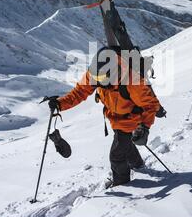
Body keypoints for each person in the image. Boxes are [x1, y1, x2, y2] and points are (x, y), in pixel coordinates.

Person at [47, 47, 161, 188]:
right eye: (96, 78)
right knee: (124, 143)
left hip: (130, 119)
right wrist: (60, 104)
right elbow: (79, 92)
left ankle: (122, 184)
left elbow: (150, 105)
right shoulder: (96, 73)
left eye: (102, 79)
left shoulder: (132, 80)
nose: (98, 82)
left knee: (116, 156)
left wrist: (144, 127)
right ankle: (138, 164)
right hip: (114, 116)